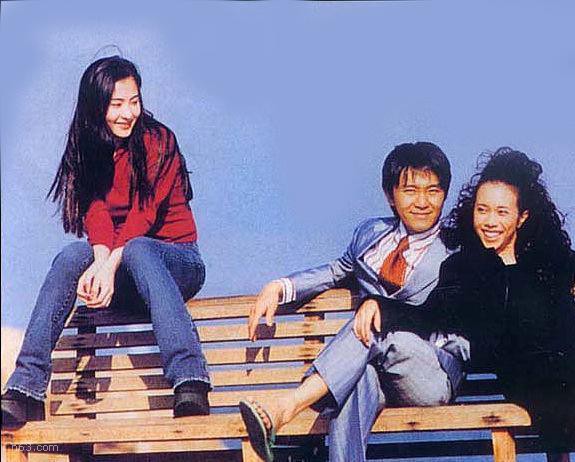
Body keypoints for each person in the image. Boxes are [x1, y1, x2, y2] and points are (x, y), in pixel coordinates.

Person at [365, 148, 575, 462]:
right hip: (546, 391)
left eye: (502, 212)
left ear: (522, 217)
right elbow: (429, 316)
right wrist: (378, 305)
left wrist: (554, 255)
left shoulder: (542, 260)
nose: (489, 221)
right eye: (482, 210)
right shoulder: (466, 269)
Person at [1, 56, 210, 428]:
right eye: (117, 104)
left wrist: (108, 266)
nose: (128, 113)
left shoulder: (158, 140)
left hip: (176, 263)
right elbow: (95, 212)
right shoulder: (88, 146)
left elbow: (144, 215)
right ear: (96, 106)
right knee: (70, 255)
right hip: (125, 267)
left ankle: (190, 378)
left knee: (140, 247)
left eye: (134, 101)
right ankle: (26, 388)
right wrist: (100, 263)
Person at [241, 142, 469, 462]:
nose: (422, 202)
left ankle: (287, 407)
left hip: (432, 373)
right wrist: (279, 287)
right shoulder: (370, 234)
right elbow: (335, 271)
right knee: (355, 383)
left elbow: (438, 314)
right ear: (390, 196)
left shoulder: (457, 248)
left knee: (375, 324)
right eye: (410, 191)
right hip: (376, 369)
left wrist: (382, 309)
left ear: (444, 194)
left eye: (433, 191)